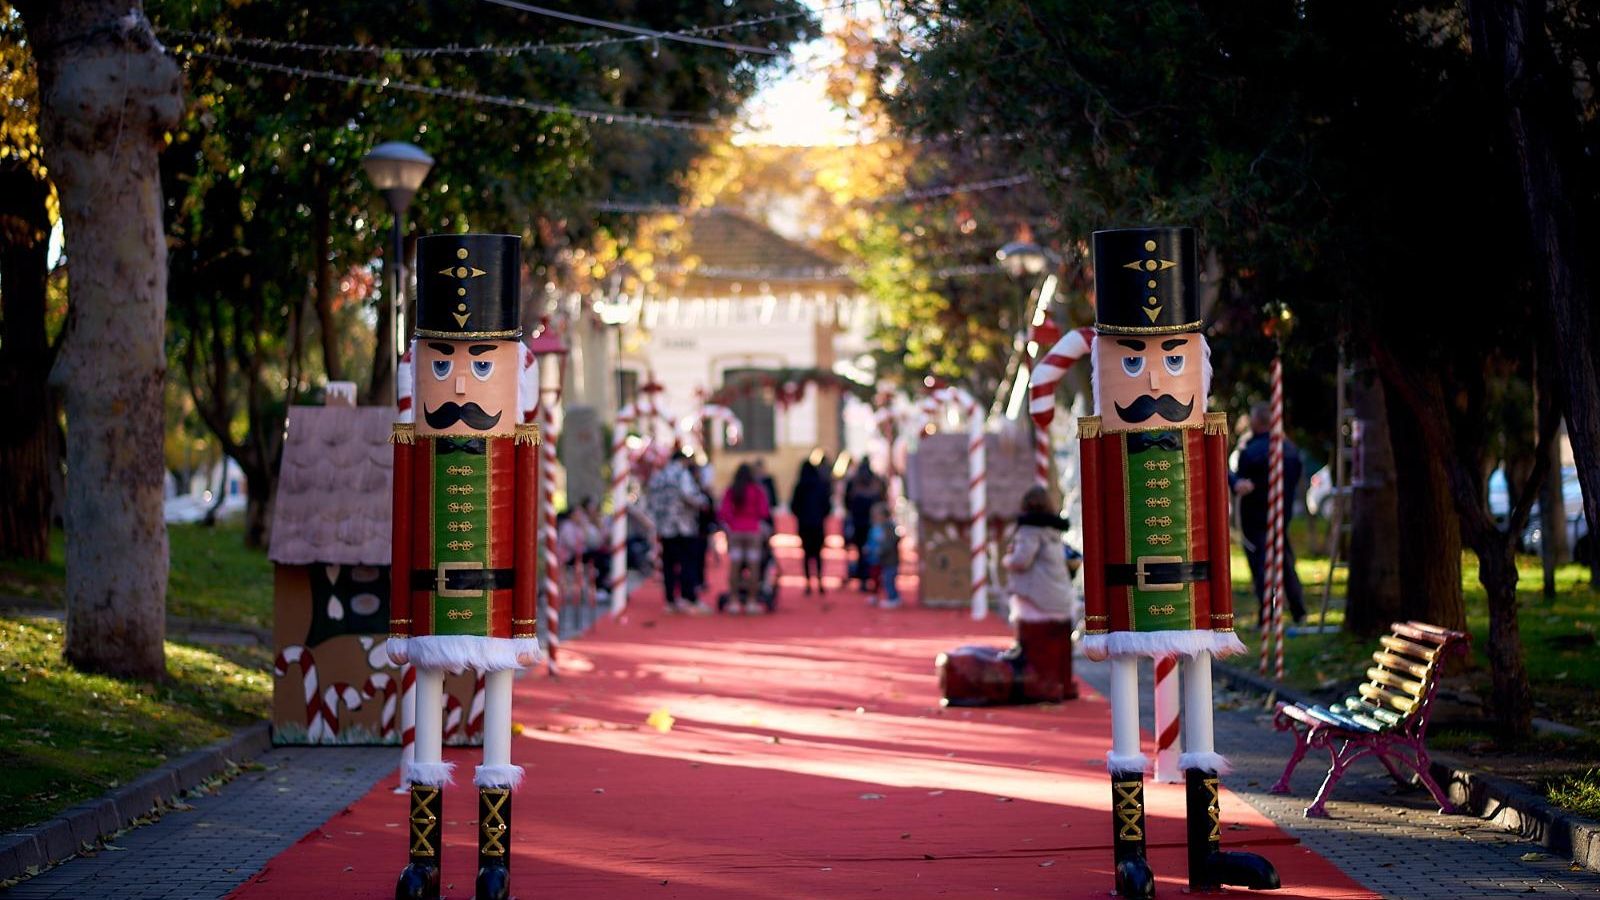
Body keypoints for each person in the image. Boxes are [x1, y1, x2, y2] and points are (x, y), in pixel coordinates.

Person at [1074, 227, 1276, 896]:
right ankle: (1131, 853)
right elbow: (1097, 523)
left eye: (1172, 357)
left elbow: (1215, 521)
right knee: (1125, 722)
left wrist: (1221, 614)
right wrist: (1097, 621)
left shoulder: (1207, 437)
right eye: (1132, 362)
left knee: (1202, 715)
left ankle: (1207, 851)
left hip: (1192, 597)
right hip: (1126, 599)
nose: (1157, 380)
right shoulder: (1100, 442)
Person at [386, 233, 541, 900]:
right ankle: (423, 861)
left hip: (497, 609)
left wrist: (525, 626)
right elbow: (402, 528)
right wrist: (400, 624)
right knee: (427, 714)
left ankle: (493, 861)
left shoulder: (518, 446)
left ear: (512, 369)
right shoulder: (413, 445)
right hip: (430, 605)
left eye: (481, 365)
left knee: (497, 723)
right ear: (418, 365)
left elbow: (525, 531)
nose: (455, 384)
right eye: (441, 362)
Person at [937, 486, 1076, 704]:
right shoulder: (1054, 530)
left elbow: (1022, 560)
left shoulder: (1030, 530)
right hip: (1059, 595)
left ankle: (1042, 687)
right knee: (1059, 646)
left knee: (1036, 647)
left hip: (1036, 597)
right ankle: (1063, 684)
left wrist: (1007, 560)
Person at [1231, 402, 1307, 625]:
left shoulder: (1250, 451)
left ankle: (1267, 614)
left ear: (1256, 421)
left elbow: (1242, 481)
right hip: (1282, 515)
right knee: (1285, 562)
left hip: (1255, 518)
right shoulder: (1290, 449)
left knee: (1261, 566)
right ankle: (1298, 610)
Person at [646, 450, 710, 614]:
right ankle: (689, 598)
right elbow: (689, 494)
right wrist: (703, 502)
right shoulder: (681, 474)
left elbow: (651, 501)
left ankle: (670, 600)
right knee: (687, 562)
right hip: (683, 526)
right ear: (682, 460)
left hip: (664, 527)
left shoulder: (658, 476)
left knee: (668, 564)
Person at [718, 463, 772, 613]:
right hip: (753, 531)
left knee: (735, 566)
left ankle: (734, 601)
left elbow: (724, 511)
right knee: (754, 566)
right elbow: (764, 511)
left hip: (736, 531)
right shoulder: (757, 490)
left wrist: (732, 524)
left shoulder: (732, 490)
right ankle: (751, 601)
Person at [790, 455, 833, 595]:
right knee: (818, 554)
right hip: (817, 524)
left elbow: (793, 506)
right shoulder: (820, 485)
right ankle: (819, 581)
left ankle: (808, 583)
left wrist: (802, 516)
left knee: (807, 554)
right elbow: (827, 506)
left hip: (804, 524)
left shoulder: (800, 486)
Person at [844, 461, 885, 589]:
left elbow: (847, 502)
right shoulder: (874, 482)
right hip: (871, 522)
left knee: (863, 552)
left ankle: (864, 579)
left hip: (860, 522)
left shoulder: (854, 482)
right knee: (874, 551)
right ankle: (872, 578)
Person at [869, 502, 902, 609]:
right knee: (886, 579)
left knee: (889, 579)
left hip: (891, 559)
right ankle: (893, 597)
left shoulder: (888, 526)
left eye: (877, 515)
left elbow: (891, 541)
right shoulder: (881, 526)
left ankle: (894, 598)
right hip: (885, 560)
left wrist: (881, 550)